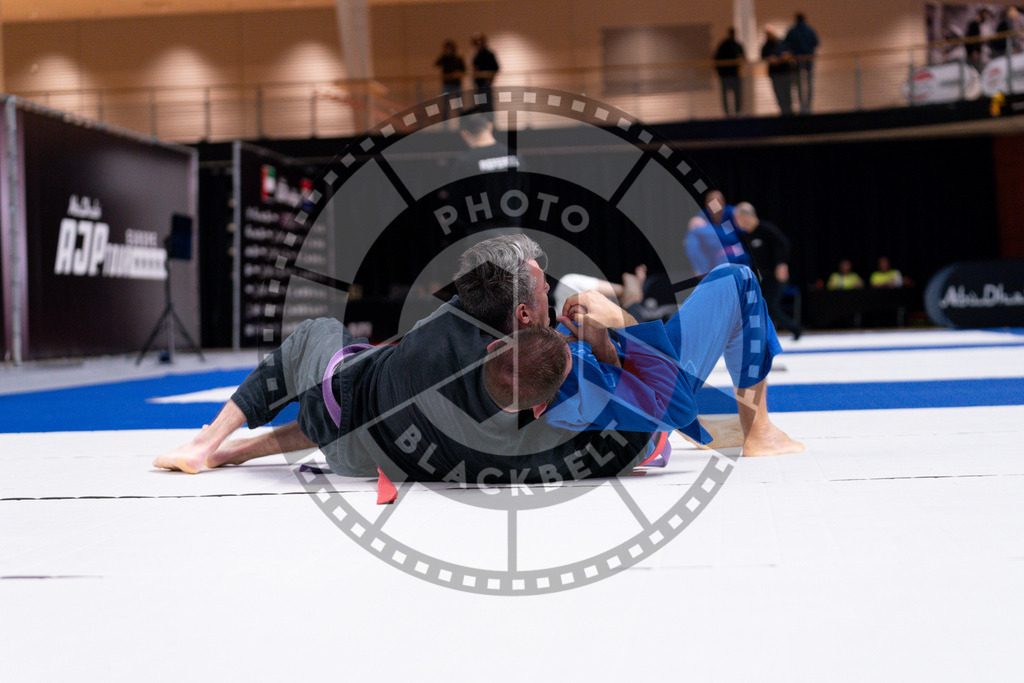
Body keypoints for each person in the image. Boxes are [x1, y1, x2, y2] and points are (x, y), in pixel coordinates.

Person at [155, 234, 801, 484]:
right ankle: (759, 429)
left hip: (361, 443)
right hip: (626, 405)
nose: (544, 279)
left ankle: (216, 443)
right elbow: (669, 403)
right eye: (538, 280)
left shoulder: (457, 315)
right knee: (738, 284)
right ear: (522, 317)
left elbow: (352, 394)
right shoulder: (542, 370)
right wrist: (613, 326)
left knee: (339, 384)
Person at [733, 202, 803, 339]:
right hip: (763, 277)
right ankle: (757, 335)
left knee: (770, 305)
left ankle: (795, 329)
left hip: (777, 275)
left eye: (737, 217)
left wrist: (782, 264)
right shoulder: (747, 236)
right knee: (755, 304)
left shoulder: (765, 229)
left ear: (745, 216)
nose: (735, 221)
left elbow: (783, 244)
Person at [785, 13, 819, 114]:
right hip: (808, 59)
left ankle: (802, 107)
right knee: (809, 83)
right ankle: (808, 106)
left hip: (798, 60)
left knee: (799, 84)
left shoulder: (793, 31)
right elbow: (816, 43)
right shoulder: (809, 30)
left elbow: (786, 43)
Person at [762, 26, 795, 115]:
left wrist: (785, 56)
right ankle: (783, 111)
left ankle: (789, 112)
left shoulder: (781, 43)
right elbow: (763, 57)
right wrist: (769, 59)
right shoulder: (765, 47)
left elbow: (790, 52)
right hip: (775, 74)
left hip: (785, 72)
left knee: (787, 93)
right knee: (779, 94)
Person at [713, 27, 746, 117]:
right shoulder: (724, 45)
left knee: (737, 95)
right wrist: (720, 73)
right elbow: (716, 60)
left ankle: (737, 112)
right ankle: (728, 113)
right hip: (726, 75)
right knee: (727, 96)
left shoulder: (737, 45)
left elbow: (743, 58)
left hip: (734, 75)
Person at [435, 39, 466, 118]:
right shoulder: (444, 57)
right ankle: (445, 123)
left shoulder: (458, 57)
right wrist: (443, 55)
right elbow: (437, 63)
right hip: (447, 84)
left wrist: (457, 73)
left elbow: (463, 69)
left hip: (456, 84)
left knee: (459, 105)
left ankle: (462, 122)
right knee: (445, 106)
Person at [470, 32, 499, 112]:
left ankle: (491, 122)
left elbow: (496, 67)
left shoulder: (489, 54)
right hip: (478, 84)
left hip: (486, 84)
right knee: (480, 105)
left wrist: (490, 77)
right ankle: (483, 123)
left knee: (488, 104)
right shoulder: (476, 55)